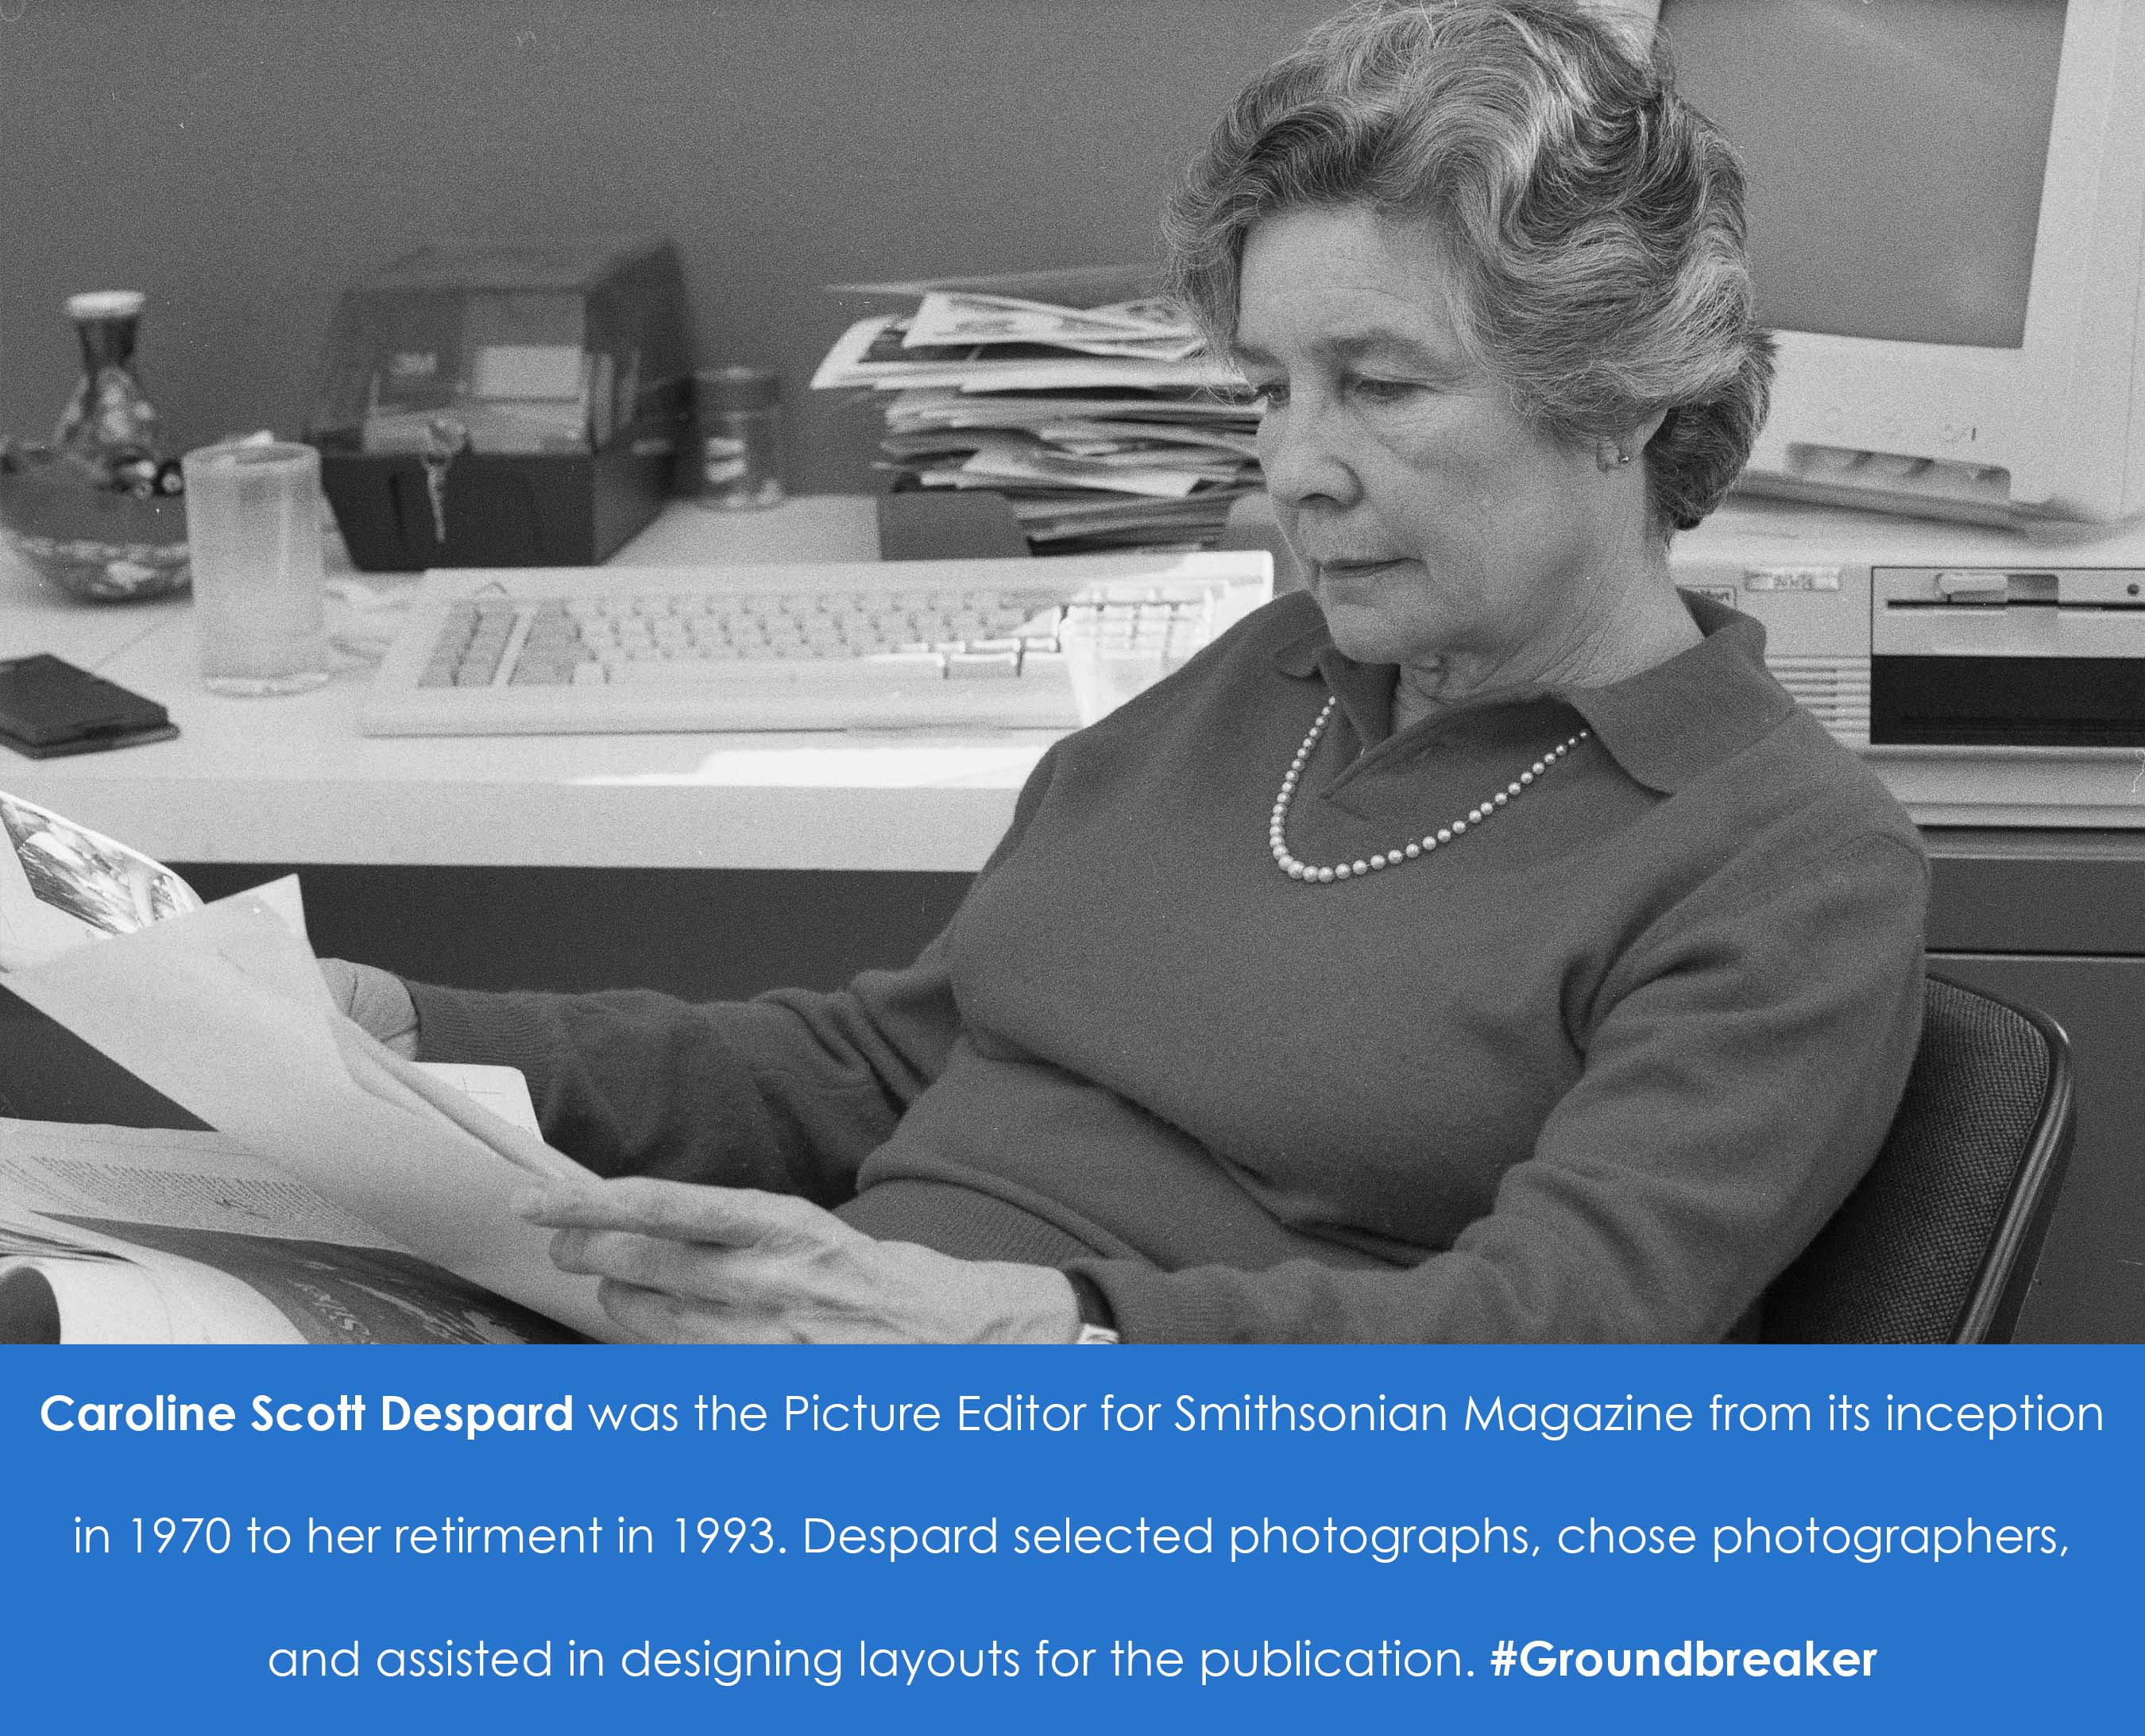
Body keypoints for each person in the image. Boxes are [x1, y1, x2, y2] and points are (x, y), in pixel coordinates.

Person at [327, 0, 1927, 1344]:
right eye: (1271, 387)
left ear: (1628, 393)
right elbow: (884, 1061)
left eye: (1378, 387)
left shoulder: (1782, 862)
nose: (1296, 466)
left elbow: (1548, 1342)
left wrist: (1021, 1334)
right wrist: (423, 1036)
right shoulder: (1266, 675)